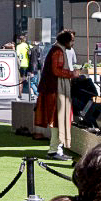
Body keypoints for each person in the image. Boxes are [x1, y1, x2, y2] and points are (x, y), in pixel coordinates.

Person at [34, 31, 78, 159]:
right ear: (66, 41)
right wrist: (72, 74)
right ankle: (54, 150)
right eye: (72, 40)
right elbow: (56, 70)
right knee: (58, 120)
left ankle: (56, 149)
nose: (73, 43)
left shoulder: (57, 50)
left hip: (54, 89)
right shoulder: (58, 51)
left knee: (58, 120)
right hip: (56, 90)